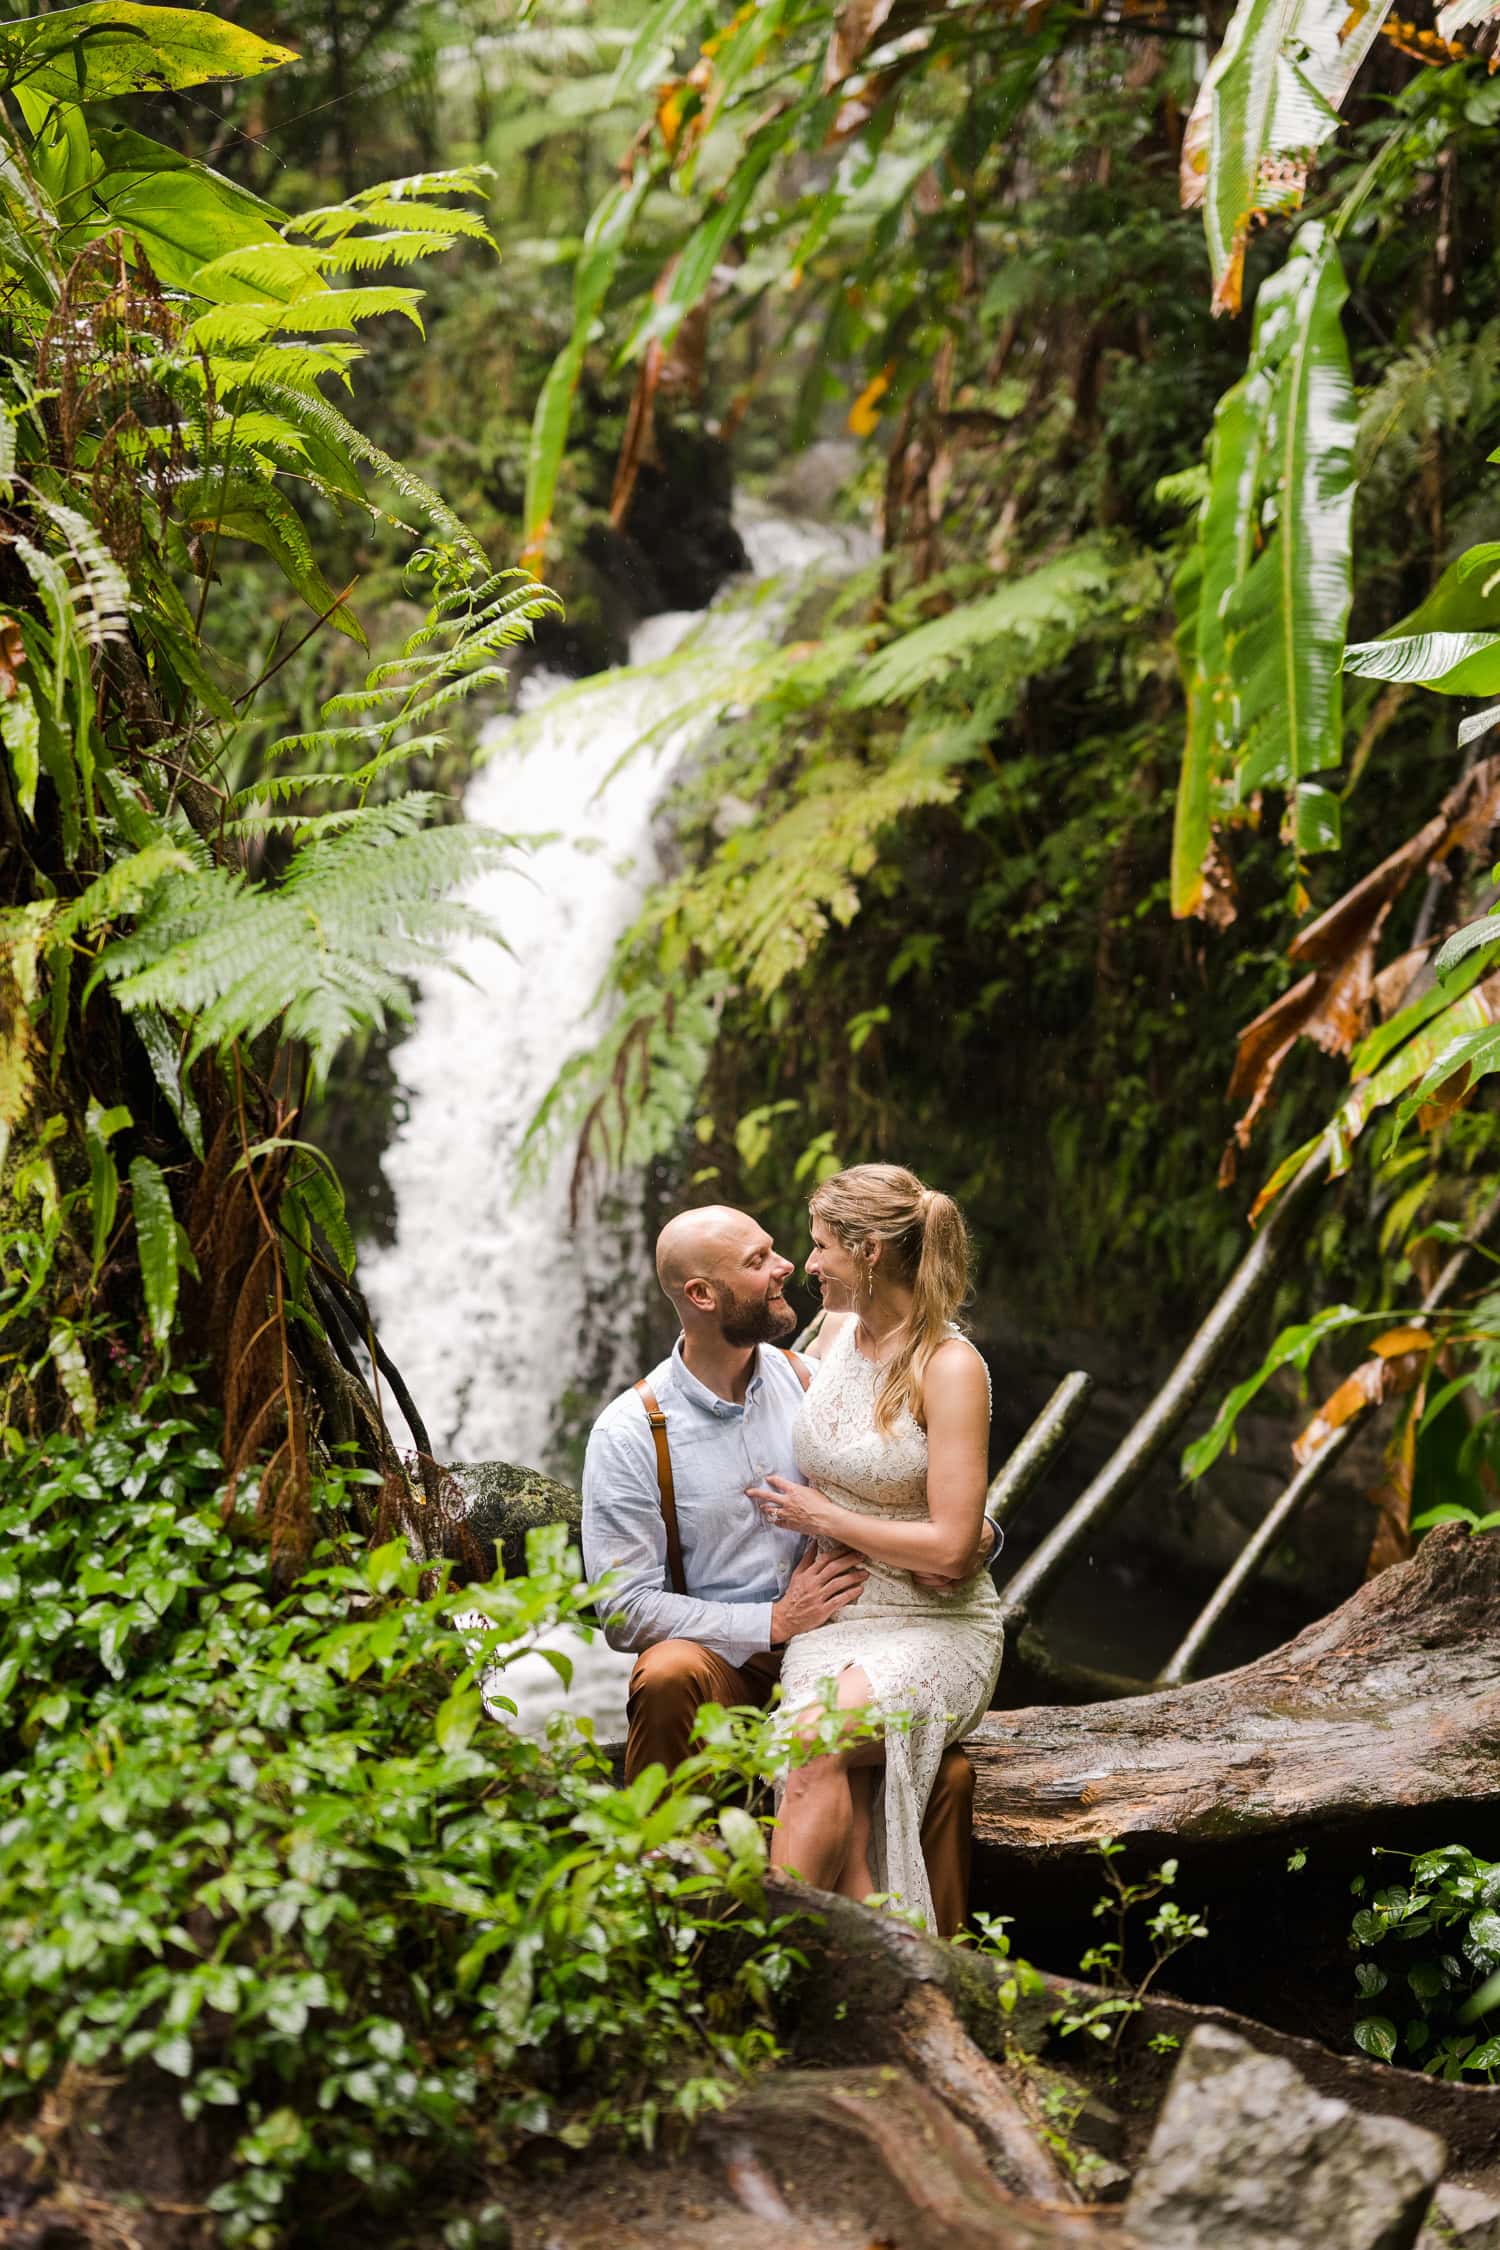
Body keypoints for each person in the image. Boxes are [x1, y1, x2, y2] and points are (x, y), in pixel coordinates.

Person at [580, 1203, 998, 1938]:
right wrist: (771, 1621)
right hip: (738, 1659)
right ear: (704, 1297)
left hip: (861, 1636)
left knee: (947, 1775)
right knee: (667, 1669)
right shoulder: (629, 1433)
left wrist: (978, 1539)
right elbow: (620, 1609)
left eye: (787, 1250)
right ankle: (659, 1891)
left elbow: (922, 1485)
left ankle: (910, 1967)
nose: (786, 1270)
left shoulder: (815, 1379)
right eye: (760, 1260)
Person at [747, 1164, 1004, 1931]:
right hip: (835, 1623)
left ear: (869, 1252)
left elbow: (955, 1548)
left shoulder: (949, 1367)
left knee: (811, 1739)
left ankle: (771, 1958)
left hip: (934, 1627)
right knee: (849, 1824)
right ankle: (881, 1974)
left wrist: (826, 1521)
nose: (809, 1264)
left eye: (823, 1246)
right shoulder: (832, 1334)